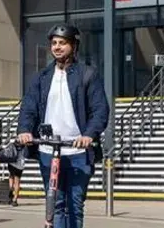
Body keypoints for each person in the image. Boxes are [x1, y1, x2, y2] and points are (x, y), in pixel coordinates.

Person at [17, 24, 109, 228]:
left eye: (63, 43)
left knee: (74, 204)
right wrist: (24, 130)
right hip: (48, 150)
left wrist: (89, 135)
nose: (57, 47)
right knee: (56, 204)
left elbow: (100, 110)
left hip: (78, 151)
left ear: (74, 46)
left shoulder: (87, 74)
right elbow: (28, 108)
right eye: (54, 43)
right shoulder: (41, 77)